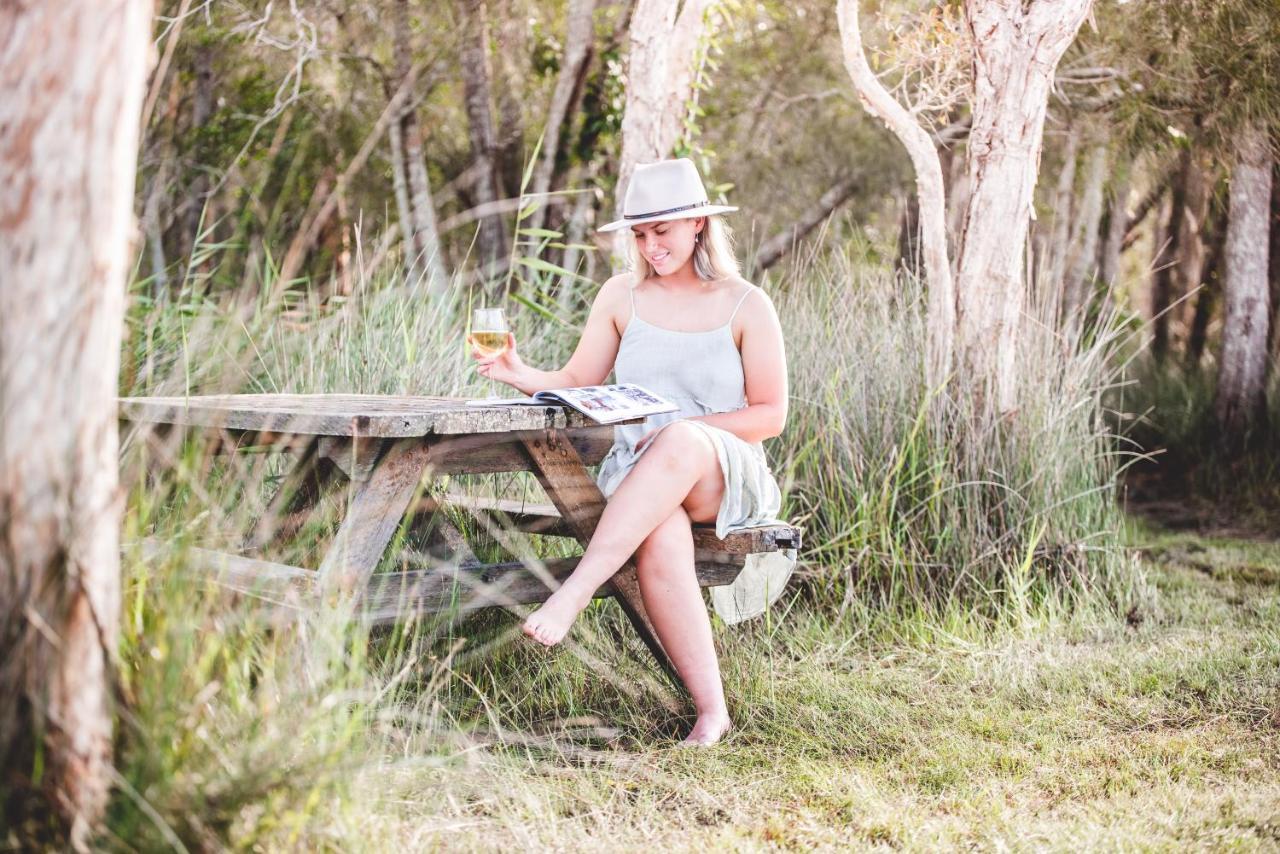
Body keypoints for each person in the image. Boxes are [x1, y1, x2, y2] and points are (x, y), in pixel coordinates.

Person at [470, 158, 788, 746]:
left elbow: (770, 415)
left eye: (660, 231)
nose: (649, 245)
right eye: (639, 234)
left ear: (697, 223)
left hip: (722, 472)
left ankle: (576, 591)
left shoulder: (746, 303)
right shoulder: (622, 295)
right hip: (644, 474)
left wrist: (684, 428)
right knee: (660, 534)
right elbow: (577, 379)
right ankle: (711, 712)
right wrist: (518, 373)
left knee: (680, 438)